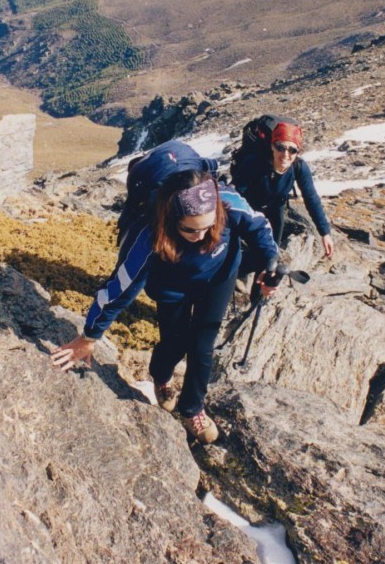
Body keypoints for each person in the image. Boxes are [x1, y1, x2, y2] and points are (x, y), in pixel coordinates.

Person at [49, 170, 280, 444]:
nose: (202, 235)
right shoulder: (148, 239)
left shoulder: (227, 203)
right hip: (173, 289)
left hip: (219, 278)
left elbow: (260, 227)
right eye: (190, 229)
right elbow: (118, 290)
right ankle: (161, 377)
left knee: (202, 346)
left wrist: (270, 264)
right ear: (171, 218)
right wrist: (89, 336)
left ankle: (192, 408)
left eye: (209, 226)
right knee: (174, 342)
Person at [232, 116, 335, 259]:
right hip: (249, 208)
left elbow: (311, 198)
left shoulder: (299, 167)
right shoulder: (254, 163)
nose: (285, 155)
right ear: (272, 146)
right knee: (239, 254)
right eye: (280, 147)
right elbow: (235, 195)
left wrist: (325, 233)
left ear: (298, 151)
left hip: (275, 207)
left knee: (271, 254)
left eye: (292, 150)